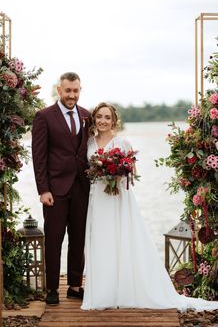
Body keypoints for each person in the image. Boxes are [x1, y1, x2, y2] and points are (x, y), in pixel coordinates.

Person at [81, 102, 218, 311]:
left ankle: (124, 289)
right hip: (97, 198)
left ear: (114, 121)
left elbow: (132, 172)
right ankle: (102, 293)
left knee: (121, 239)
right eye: (99, 116)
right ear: (94, 118)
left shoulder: (123, 142)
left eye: (107, 117)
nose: (103, 121)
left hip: (118, 198)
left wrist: (116, 173)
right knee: (100, 240)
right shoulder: (89, 142)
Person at [32, 72, 90, 305]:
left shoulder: (87, 115)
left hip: (82, 188)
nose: (72, 95)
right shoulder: (44, 116)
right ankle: (52, 289)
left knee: (79, 239)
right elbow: (39, 156)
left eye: (76, 91)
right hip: (54, 190)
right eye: (68, 91)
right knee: (54, 240)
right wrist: (43, 189)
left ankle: (75, 286)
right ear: (59, 90)